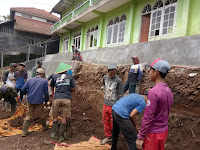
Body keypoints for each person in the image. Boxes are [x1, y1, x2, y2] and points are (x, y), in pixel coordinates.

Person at [136, 59, 173, 150]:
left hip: (153, 134)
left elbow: (148, 117)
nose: (149, 73)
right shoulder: (168, 91)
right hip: (163, 131)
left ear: (156, 72)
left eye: (150, 70)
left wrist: (141, 137)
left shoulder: (153, 92)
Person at [50, 62, 76, 141]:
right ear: (65, 70)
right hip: (66, 98)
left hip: (57, 98)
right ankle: (61, 136)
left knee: (54, 115)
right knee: (64, 117)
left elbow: (51, 87)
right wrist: (68, 90)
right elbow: (74, 88)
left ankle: (55, 133)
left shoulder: (54, 76)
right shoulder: (70, 77)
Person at [21, 68, 49, 137]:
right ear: (42, 74)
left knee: (29, 115)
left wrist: (27, 93)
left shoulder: (30, 80)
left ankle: (24, 132)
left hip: (30, 100)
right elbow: (46, 93)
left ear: (36, 73)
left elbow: (23, 89)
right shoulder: (44, 81)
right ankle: (44, 126)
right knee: (41, 114)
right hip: (39, 100)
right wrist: (46, 101)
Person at [100, 64, 123, 145]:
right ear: (108, 72)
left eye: (114, 73)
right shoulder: (105, 78)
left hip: (114, 105)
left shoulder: (118, 81)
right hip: (106, 103)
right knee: (105, 120)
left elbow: (120, 94)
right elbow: (103, 84)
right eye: (111, 73)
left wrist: (120, 105)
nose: (112, 75)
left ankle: (114, 136)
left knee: (113, 122)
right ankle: (108, 136)